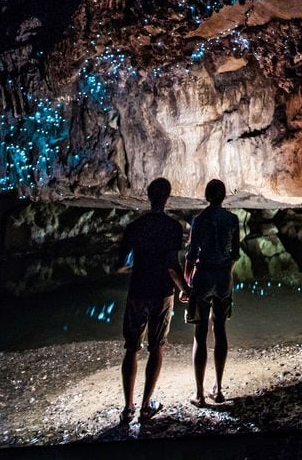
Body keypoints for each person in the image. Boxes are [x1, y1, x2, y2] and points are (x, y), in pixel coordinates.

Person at [115, 177, 189, 424]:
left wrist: (135, 265)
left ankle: (128, 408)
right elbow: (171, 265)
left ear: (148, 196)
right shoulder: (173, 227)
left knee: (131, 348)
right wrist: (185, 288)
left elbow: (120, 265)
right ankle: (146, 406)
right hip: (162, 292)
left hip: (138, 291)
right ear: (167, 197)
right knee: (156, 346)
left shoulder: (135, 227)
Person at [184, 178, 241, 405]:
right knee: (220, 329)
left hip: (204, 275)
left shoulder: (199, 220)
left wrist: (187, 283)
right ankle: (218, 389)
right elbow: (235, 253)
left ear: (207, 196)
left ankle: (199, 393)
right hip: (223, 276)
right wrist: (226, 271)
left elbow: (191, 255)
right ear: (223, 196)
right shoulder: (232, 219)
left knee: (200, 334)